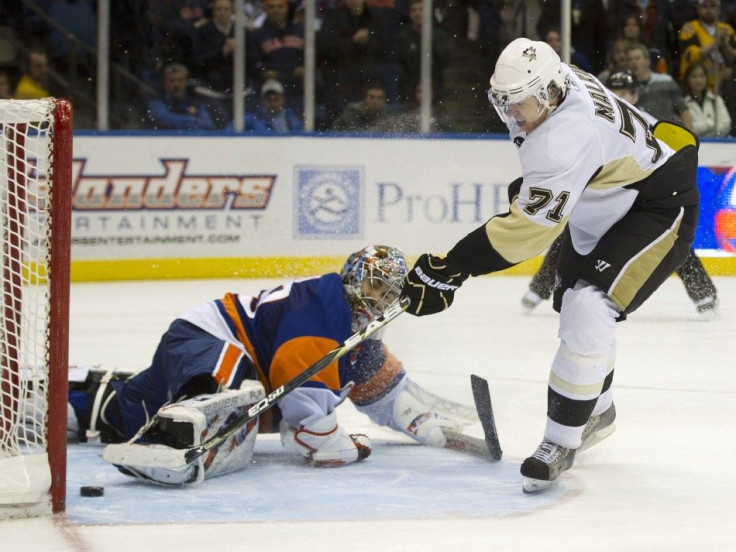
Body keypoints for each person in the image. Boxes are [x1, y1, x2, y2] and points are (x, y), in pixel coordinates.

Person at [400, 38, 700, 493]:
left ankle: (560, 440)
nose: (510, 113)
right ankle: (599, 408)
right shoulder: (558, 86)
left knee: (587, 308)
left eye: (518, 102)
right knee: (577, 312)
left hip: (655, 203)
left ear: (548, 93)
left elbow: (529, 234)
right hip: (604, 197)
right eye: (503, 101)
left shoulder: (564, 137)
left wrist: (452, 268)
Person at [67, 246, 484, 485]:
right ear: (354, 277)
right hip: (210, 338)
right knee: (226, 397)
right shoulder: (322, 315)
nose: (380, 300)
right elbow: (305, 430)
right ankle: (178, 436)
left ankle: (72, 405)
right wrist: (344, 446)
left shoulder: (361, 339)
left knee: (130, 412)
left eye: (389, 294)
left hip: (211, 352)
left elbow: (388, 399)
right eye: (375, 285)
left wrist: (430, 428)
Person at [521, 70, 719, 317]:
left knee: (670, 240)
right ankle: (540, 288)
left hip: (639, 200)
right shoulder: (593, 120)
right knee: (572, 231)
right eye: (613, 91)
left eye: (624, 91)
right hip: (604, 196)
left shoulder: (649, 123)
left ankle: (704, 293)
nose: (619, 96)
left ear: (635, 95)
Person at [627, 42, 693, 129]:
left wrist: (689, 134)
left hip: (670, 135)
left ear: (647, 61)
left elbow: (683, 110)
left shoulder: (666, 81)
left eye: (637, 58)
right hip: (643, 138)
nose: (634, 62)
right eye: (630, 59)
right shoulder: (624, 87)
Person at [678, 0, 736, 92]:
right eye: (705, 6)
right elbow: (692, 57)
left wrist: (725, 44)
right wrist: (715, 42)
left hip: (723, 85)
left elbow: (733, 58)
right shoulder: (690, 28)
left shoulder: (727, 29)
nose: (709, 10)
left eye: (712, 6)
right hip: (697, 86)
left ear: (718, 10)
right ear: (698, 9)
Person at [146, 62, 215, 130]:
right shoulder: (157, 100)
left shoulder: (195, 101)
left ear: (186, 82)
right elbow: (164, 120)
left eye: (180, 80)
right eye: (172, 80)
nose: (176, 85)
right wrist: (193, 120)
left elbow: (208, 124)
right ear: (165, 81)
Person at [226, 78, 303, 132]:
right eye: (269, 100)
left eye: (276, 99)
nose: (273, 103)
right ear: (263, 101)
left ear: (283, 100)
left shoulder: (292, 118)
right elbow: (230, 128)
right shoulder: (253, 119)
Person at [682, 61, 732, 137]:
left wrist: (704, 132)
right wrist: (710, 123)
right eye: (694, 76)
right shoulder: (683, 103)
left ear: (706, 79)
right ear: (688, 79)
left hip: (718, 145)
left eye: (702, 76)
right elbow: (687, 129)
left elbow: (726, 124)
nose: (698, 80)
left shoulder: (716, 100)